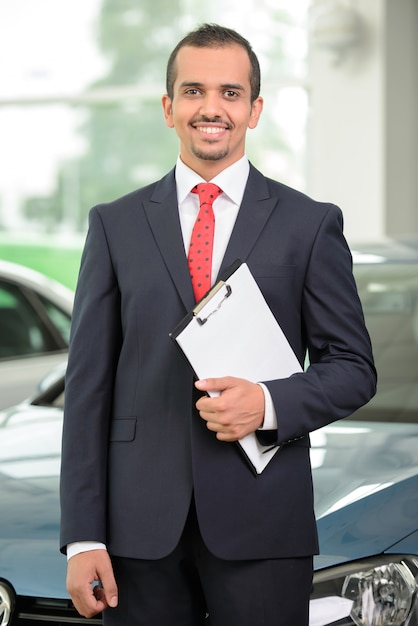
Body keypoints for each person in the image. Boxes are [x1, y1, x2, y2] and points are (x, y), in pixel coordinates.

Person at [60, 23, 376, 626]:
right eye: (194, 90)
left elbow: (354, 369)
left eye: (231, 93)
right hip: (136, 533)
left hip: (263, 525)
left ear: (255, 110)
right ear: (168, 106)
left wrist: (267, 403)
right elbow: (88, 389)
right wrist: (82, 536)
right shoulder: (114, 225)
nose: (212, 108)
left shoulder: (308, 225)